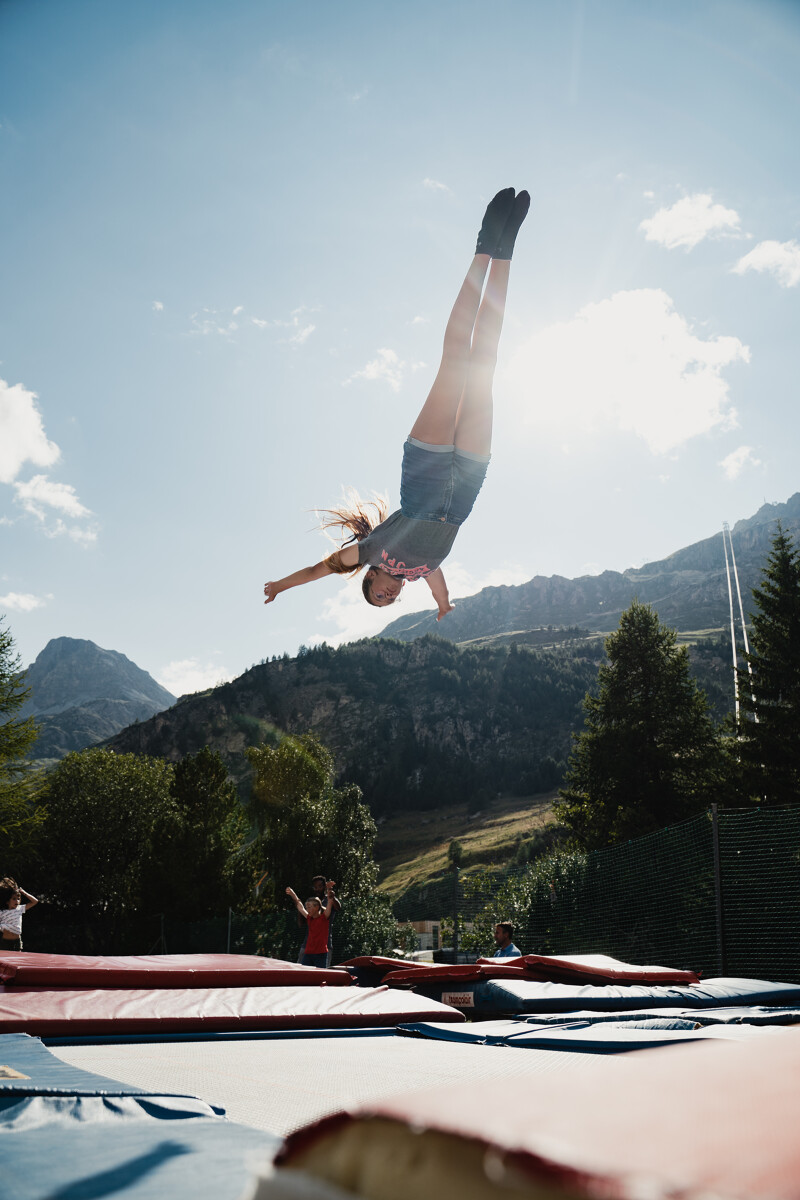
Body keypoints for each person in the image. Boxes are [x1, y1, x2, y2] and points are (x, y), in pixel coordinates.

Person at [264, 187, 530, 617]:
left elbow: (317, 571)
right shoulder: (423, 570)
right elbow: (439, 588)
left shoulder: (370, 553)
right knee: (485, 365)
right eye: (389, 602)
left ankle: (483, 249)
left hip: (424, 482)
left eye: (377, 595)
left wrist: (281, 584)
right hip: (465, 489)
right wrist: (442, 603)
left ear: (370, 577)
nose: (388, 597)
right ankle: (506, 251)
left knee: (456, 362)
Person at [286, 880, 336, 968]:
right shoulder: (309, 918)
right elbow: (299, 905)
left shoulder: (324, 917)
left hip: (321, 954)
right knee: (304, 975)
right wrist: (293, 894)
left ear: (317, 907)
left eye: (309, 907)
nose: (307, 910)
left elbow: (330, 901)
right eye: (307, 907)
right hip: (308, 953)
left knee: (320, 976)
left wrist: (329, 889)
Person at [296, 875, 342, 966]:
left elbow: (338, 907)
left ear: (324, 887)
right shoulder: (311, 902)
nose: (317, 889)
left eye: (320, 886)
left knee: (321, 975)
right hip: (308, 946)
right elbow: (301, 922)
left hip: (324, 947)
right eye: (315, 887)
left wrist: (331, 893)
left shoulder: (329, 900)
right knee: (301, 974)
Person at [0, 878, 38, 952]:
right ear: (7, 901)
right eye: (14, 899)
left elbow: (35, 901)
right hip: (4, 942)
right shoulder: (2, 912)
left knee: (16, 960)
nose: (17, 901)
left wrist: (24, 893)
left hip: (17, 941)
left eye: (18, 898)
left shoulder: (20, 908)